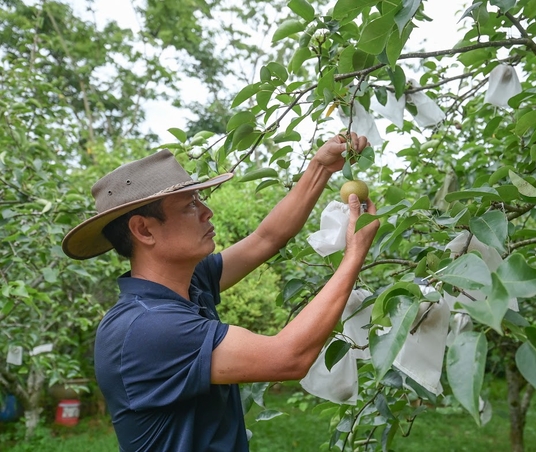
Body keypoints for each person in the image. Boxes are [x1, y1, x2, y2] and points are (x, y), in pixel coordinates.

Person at [61, 132, 379, 452]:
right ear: (144, 230)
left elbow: (267, 239)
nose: (206, 211)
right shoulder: (147, 328)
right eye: (189, 205)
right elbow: (288, 357)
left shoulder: (187, 285)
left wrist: (320, 168)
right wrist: (353, 257)